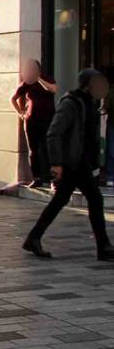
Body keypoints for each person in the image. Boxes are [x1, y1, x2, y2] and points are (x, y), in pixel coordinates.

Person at [23, 69, 114, 261]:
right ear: (86, 85)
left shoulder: (90, 103)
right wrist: (56, 163)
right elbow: (54, 133)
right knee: (94, 200)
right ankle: (103, 247)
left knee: (61, 201)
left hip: (81, 162)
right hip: (72, 163)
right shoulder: (71, 104)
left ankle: (34, 238)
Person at [11, 59, 58, 189]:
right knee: (34, 151)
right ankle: (36, 178)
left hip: (47, 121)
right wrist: (21, 113)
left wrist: (39, 79)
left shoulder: (48, 79)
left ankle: (51, 180)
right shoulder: (25, 84)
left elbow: (53, 90)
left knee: (47, 150)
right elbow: (13, 98)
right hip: (31, 122)